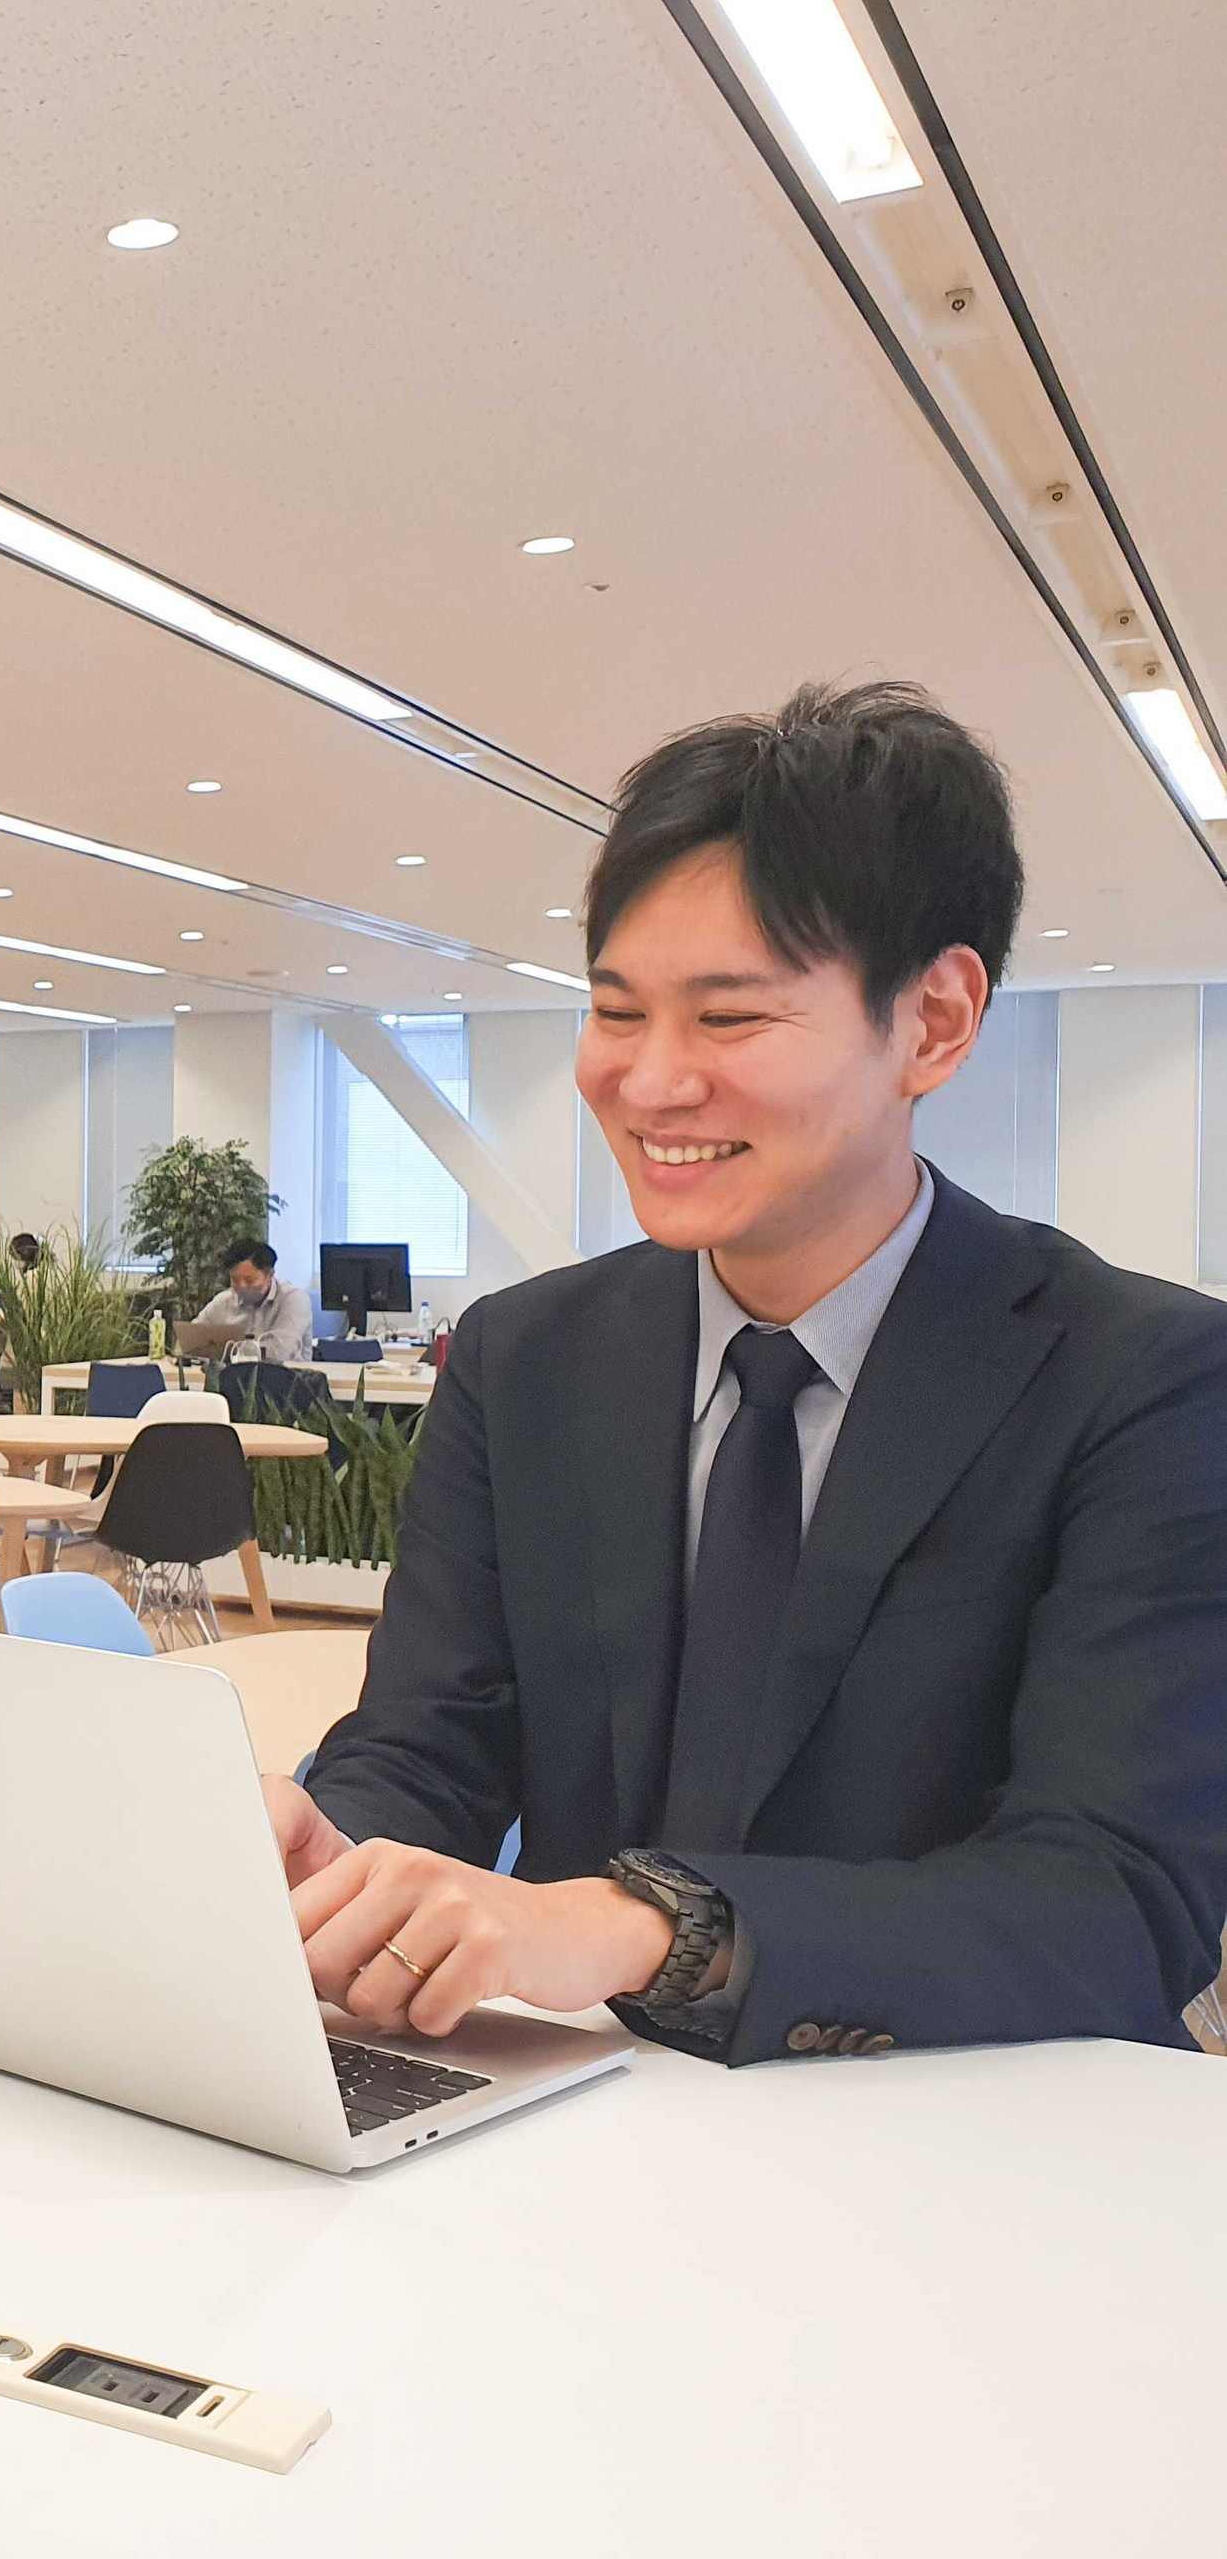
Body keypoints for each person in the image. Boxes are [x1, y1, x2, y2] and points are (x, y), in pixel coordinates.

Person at [270, 680, 1227, 2063]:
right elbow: (431, 1744)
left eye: (727, 1020)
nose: (650, 1083)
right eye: (615, 1012)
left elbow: (1115, 1898)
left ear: (934, 1021)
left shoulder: (1143, 1381)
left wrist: (648, 1927)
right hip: (581, 2116)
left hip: (958, 2132)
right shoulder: (525, 1359)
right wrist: (337, 1848)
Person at [192, 1241, 314, 1362]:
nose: (242, 1286)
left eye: (249, 1280)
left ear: (270, 1274)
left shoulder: (294, 1299)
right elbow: (192, 1338)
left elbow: (281, 1352)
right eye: (235, 1280)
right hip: (234, 1374)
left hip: (285, 1373)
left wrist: (228, 1349)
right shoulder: (224, 1301)